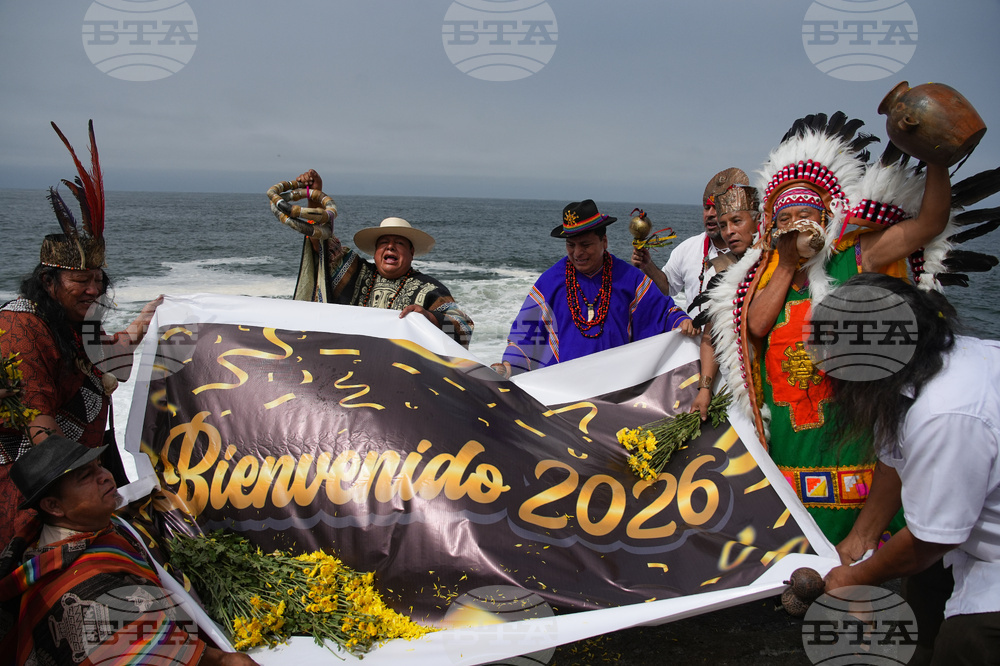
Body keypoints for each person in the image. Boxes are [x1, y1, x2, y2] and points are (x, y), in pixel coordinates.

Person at [711, 112, 953, 545]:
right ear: (773, 228)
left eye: (806, 214)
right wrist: (786, 263)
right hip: (789, 423)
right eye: (785, 220)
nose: (797, 225)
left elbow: (929, 225)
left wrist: (937, 159)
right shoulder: (767, 272)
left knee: (857, 514)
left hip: (849, 416)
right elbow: (757, 326)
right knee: (792, 523)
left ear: (825, 216)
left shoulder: (858, 256)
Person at [822, 273, 999, 666]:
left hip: (989, 554)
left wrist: (854, 579)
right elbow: (893, 459)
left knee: (966, 642)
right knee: (920, 597)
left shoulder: (946, 410)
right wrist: (860, 539)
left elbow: (930, 541)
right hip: (968, 538)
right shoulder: (922, 364)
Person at [0, 122, 161, 549]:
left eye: (97, 280)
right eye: (79, 280)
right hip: (41, 484)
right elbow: (40, 428)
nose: (92, 290)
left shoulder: (76, 323)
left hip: (81, 473)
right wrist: (78, 499)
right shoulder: (21, 327)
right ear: (49, 281)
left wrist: (146, 322)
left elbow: (111, 365)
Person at [0, 435, 258, 665]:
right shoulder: (84, 586)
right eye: (85, 477)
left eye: (99, 466)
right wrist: (224, 659)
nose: (106, 476)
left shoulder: (98, 527)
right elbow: (148, 653)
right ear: (54, 506)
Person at [495, 199, 696, 377]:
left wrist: (681, 321)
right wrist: (508, 366)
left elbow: (661, 313)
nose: (577, 253)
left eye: (585, 244)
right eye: (571, 245)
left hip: (617, 386)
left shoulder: (629, 278)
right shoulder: (550, 282)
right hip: (562, 389)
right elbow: (525, 333)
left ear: (604, 241)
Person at [289, 170, 474, 348]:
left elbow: (464, 330)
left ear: (411, 252)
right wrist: (314, 196)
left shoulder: (430, 289)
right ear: (376, 252)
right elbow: (321, 244)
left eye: (399, 243)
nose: (390, 247)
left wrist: (430, 318)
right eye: (384, 242)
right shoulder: (356, 272)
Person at [631, 168, 749, 315]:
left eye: (716, 208)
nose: (710, 214)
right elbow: (668, 288)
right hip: (695, 336)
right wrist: (647, 265)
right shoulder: (688, 248)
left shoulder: (751, 252)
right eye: (706, 208)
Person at [690, 183, 760, 420]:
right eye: (723, 226)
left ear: (757, 221)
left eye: (737, 222)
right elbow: (710, 337)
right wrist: (705, 389)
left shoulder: (781, 263)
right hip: (738, 388)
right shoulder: (721, 273)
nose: (728, 231)